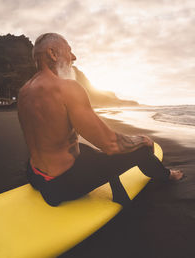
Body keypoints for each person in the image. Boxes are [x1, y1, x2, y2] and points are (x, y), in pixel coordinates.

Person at [17, 33, 183, 207]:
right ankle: (167, 175)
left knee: (85, 149)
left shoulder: (24, 92)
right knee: (140, 150)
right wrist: (143, 140)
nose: (73, 57)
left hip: (34, 175)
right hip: (62, 186)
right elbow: (110, 144)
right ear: (52, 53)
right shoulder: (66, 88)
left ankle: (117, 188)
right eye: (69, 51)